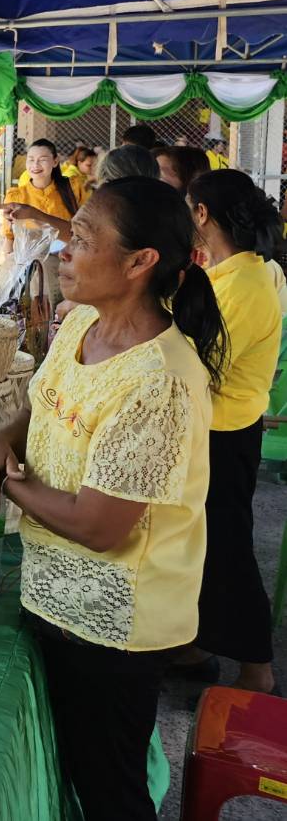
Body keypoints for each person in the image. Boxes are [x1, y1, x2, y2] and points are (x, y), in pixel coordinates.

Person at [0, 176, 224, 821]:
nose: (63, 253)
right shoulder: (79, 329)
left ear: (139, 262)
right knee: (76, 763)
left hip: (114, 620)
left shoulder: (161, 380)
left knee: (109, 787)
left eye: (80, 240)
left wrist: (7, 478)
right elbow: (36, 408)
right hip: (55, 593)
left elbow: (102, 527)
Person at [174, 170, 285, 693]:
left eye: (187, 206)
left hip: (225, 430)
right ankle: (192, 648)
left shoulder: (248, 281)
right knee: (198, 542)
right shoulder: (231, 271)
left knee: (228, 547)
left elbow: (202, 359)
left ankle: (257, 670)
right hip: (210, 424)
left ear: (202, 215)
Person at [0, 138, 79, 246]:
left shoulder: (72, 188)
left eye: (42, 160)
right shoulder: (15, 197)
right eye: (31, 159)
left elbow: (84, 229)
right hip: (30, 259)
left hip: (66, 256)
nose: (35, 165)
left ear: (55, 161)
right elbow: (9, 237)